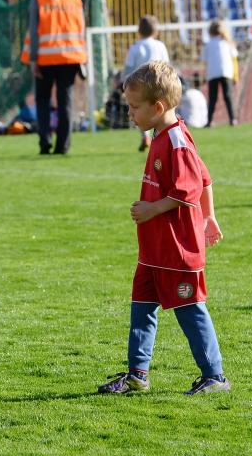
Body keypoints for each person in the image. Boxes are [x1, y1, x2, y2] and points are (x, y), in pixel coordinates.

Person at [98, 61, 230, 396]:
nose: (129, 113)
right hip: (154, 250)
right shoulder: (161, 135)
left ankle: (214, 376)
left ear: (157, 107)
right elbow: (205, 178)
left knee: (190, 311)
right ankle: (136, 375)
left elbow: (188, 190)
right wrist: (210, 215)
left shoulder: (176, 141)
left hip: (177, 249)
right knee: (141, 308)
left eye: (134, 107)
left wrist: (152, 208)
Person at [21, 0, 87, 155]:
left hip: (44, 60)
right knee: (65, 102)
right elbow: (81, 29)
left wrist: (33, 60)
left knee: (42, 101)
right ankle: (63, 146)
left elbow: (34, 33)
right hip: (70, 58)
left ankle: (44, 142)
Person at [124, 15, 170, 150]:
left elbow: (128, 68)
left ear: (139, 30)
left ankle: (145, 136)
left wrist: (124, 84)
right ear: (156, 30)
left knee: (141, 112)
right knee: (160, 111)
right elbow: (167, 66)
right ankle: (161, 136)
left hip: (141, 85)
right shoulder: (160, 45)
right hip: (159, 84)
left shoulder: (135, 48)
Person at [202, 20, 238, 126]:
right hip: (227, 73)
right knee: (228, 96)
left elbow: (204, 61)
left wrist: (206, 74)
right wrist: (236, 75)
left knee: (213, 98)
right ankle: (233, 119)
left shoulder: (208, 45)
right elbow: (234, 59)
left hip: (212, 74)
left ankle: (209, 121)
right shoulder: (228, 43)